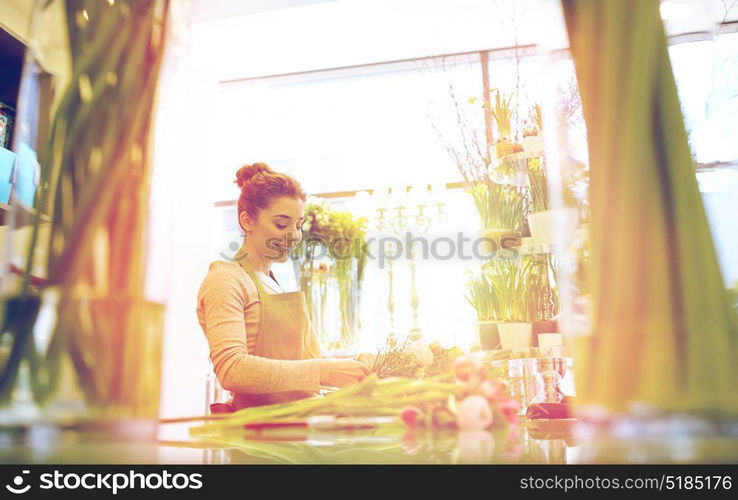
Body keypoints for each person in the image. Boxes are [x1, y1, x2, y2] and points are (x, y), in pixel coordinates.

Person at [196, 162, 370, 410]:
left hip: (297, 427)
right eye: (281, 224)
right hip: (260, 438)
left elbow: (309, 364)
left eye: (298, 225)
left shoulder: (276, 285)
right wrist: (321, 370)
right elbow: (232, 369)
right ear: (247, 221)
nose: (295, 235)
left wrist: (357, 367)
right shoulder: (226, 280)